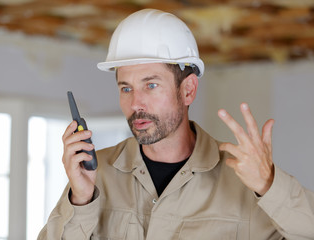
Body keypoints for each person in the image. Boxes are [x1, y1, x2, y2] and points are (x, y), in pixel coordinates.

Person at [38, 9, 314, 239]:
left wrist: (269, 186)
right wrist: (82, 201)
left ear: (188, 90)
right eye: (126, 88)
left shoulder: (244, 182)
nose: (136, 103)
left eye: (151, 85)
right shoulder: (96, 176)